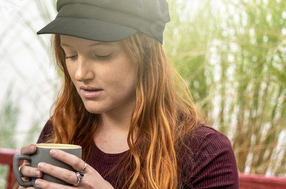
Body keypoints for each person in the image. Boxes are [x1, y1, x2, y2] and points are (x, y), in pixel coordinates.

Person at [16, 0, 239, 188]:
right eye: (71, 55)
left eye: (101, 54)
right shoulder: (60, 129)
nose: (80, 73)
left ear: (144, 55)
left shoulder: (206, 152)